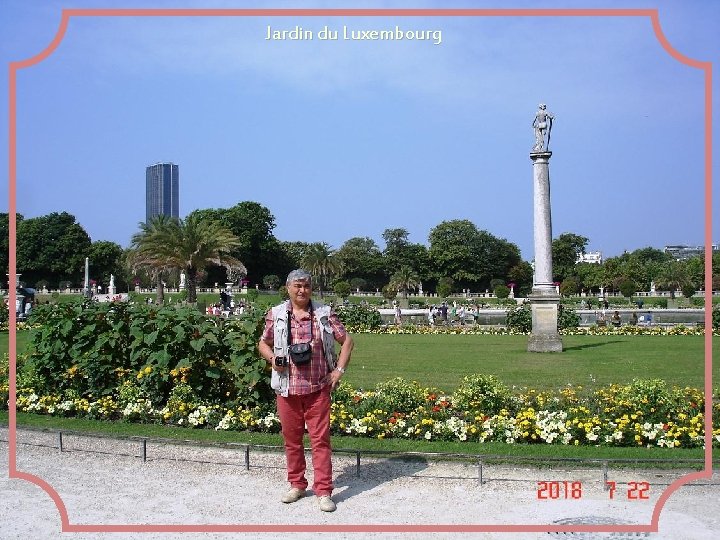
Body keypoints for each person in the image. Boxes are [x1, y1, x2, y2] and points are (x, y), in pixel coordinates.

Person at [257, 269, 354, 513]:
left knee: (320, 441)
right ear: (287, 288)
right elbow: (263, 343)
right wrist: (272, 359)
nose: (302, 290)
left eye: (306, 286)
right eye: (297, 286)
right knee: (292, 440)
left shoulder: (323, 314)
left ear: (312, 289)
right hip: (287, 387)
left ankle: (323, 491)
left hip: (318, 387)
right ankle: (297, 484)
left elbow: (347, 341)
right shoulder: (277, 314)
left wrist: (338, 371)